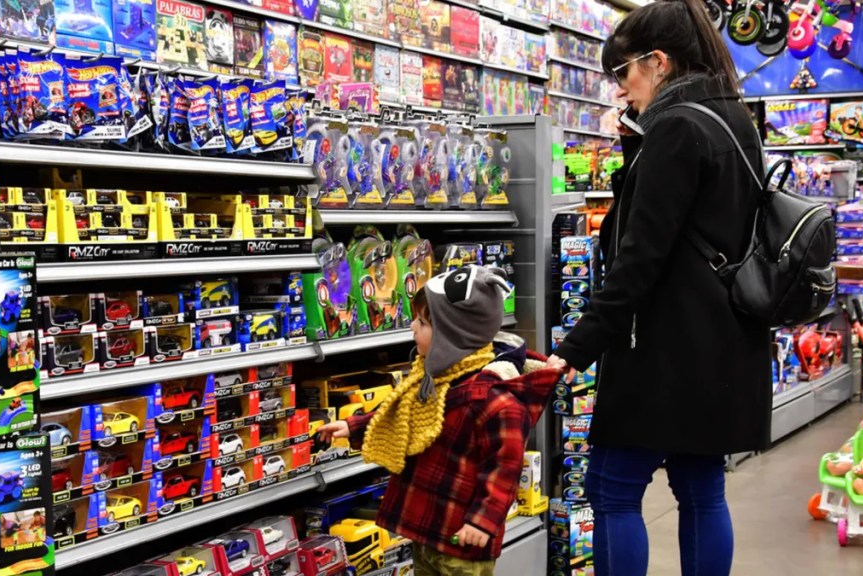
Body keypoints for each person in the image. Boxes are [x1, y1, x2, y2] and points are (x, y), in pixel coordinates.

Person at [544, 1, 771, 574]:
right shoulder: (730, 118)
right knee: (701, 488)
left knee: (612, 487)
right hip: (723, 342)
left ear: (659, 62)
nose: (620, 90)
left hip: (666, 349)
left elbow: (640, 258)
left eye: (624, 73)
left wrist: (576, 347)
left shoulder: (675, 128)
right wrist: (634, 149)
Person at [317, 266, 561, 576]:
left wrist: (483, 520)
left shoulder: (493, 398)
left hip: (462, 538)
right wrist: (353, 426)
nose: (412, 330)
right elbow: (401, 413)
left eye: (421, 323)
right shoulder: (435, 378)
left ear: (452, 335)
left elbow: (505, 468)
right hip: (428, 529)